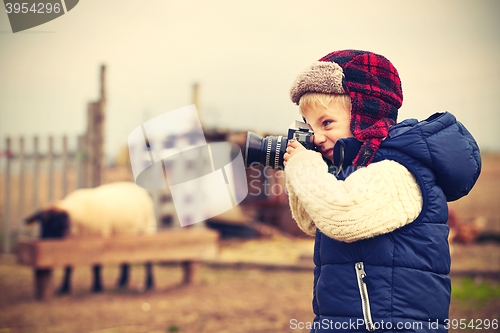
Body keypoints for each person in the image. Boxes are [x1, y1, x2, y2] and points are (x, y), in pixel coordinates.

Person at [283, 50, 481, 332]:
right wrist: (298, 167)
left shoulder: (397, 171)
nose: (316, 137)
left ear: (365, 114)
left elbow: (341, 216)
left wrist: (305, 165)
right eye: (309, 126)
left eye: (326, 123)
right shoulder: (352, 170)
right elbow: (312, 220)